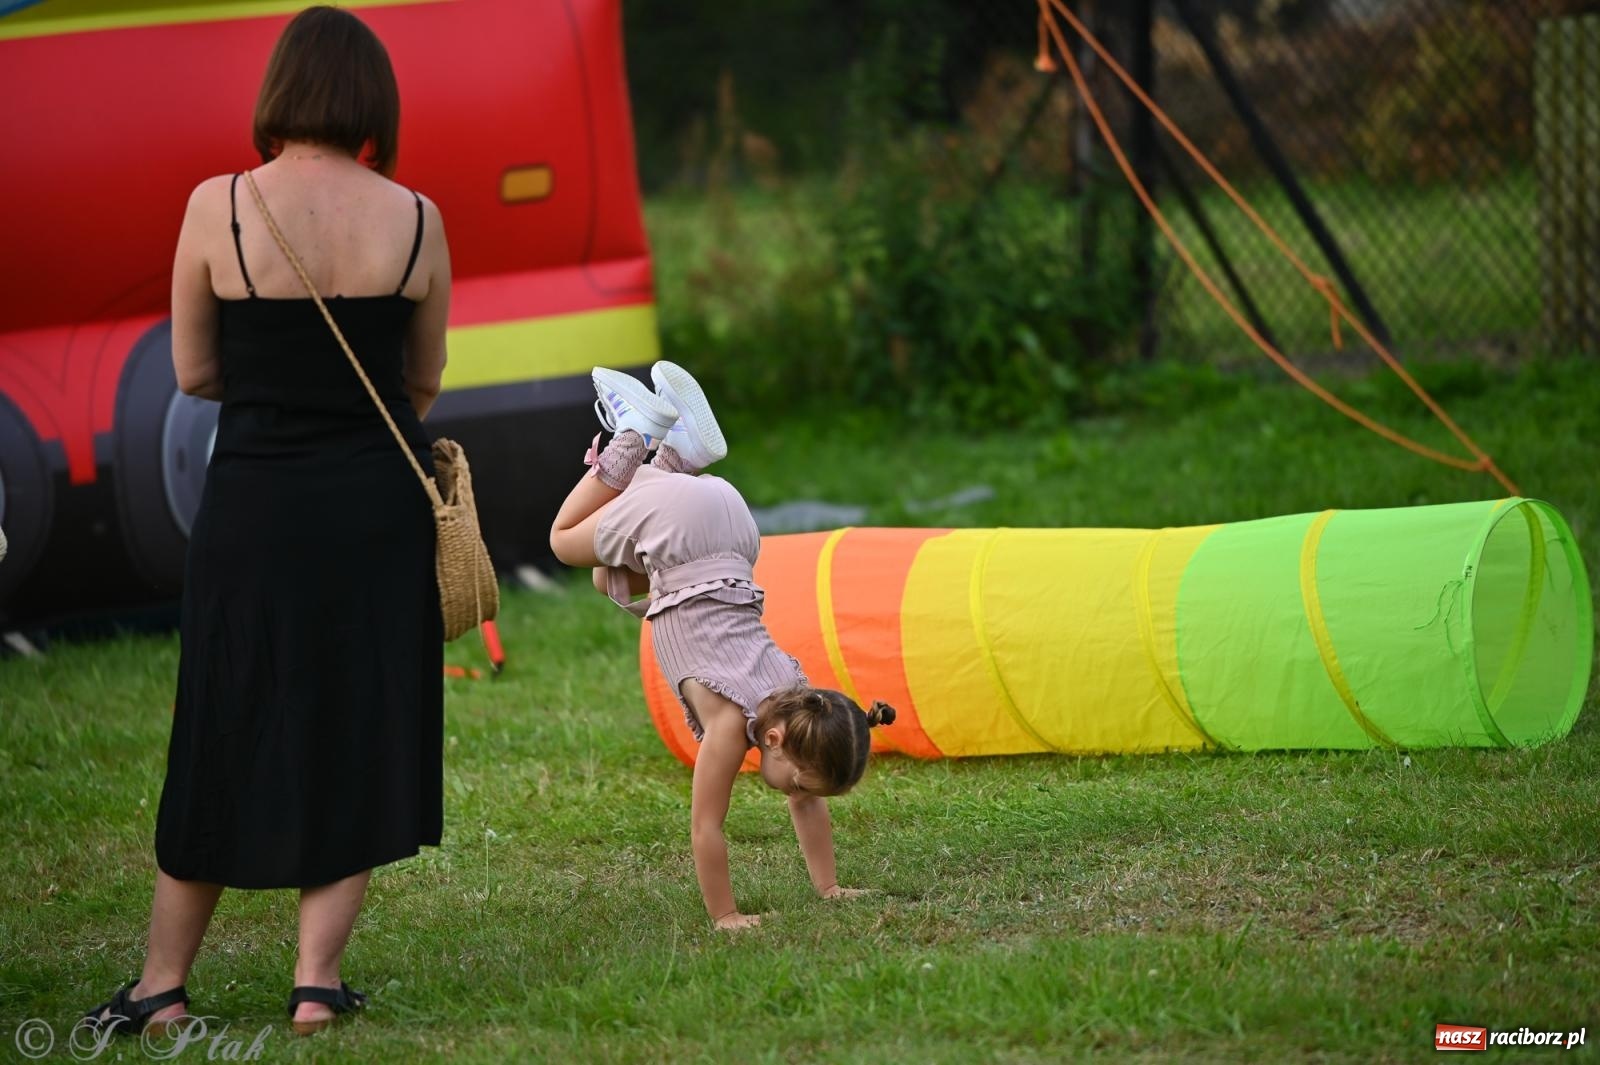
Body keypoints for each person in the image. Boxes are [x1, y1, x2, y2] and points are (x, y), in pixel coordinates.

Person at [83, 6, 450, 1037]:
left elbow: (195, 370)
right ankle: (316, 984)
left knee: (224, 717)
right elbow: (421, 379)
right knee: (358, 721)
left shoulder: (221, 207)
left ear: (280, 92)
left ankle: (161, 986)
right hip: (375, 509)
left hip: (254, 504)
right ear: (373, 100)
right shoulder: (417, 217)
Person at [550, 361, 895, 930]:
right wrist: (725, 915)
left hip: (732, 530)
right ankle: (633, 435)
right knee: (564, 541)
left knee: (604, 575)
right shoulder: (733, 726)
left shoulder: (797, 696)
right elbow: (706, 826)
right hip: (688, 533)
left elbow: (807, 800)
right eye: (800, 782)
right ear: (775, 741)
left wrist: (830, 887)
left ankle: (677, 457)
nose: (798, 795)